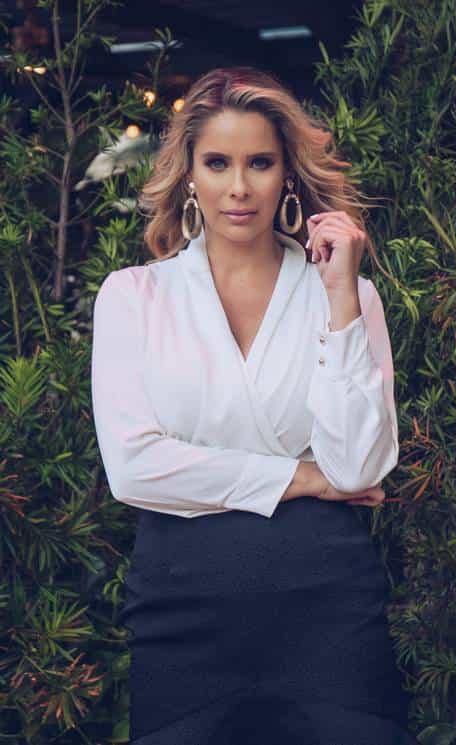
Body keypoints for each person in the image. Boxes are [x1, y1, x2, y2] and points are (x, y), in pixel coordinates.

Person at [91, 67, 414, 744]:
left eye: (260, 162)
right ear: (188, 175)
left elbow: (356, 466)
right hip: (183, 614)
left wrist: (341, 300)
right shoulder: (133, 297)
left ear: (287, 173)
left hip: (330, 608)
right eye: (218, 163)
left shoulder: (349, 295)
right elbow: (134, 469)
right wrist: (302, 477)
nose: (239, 188)